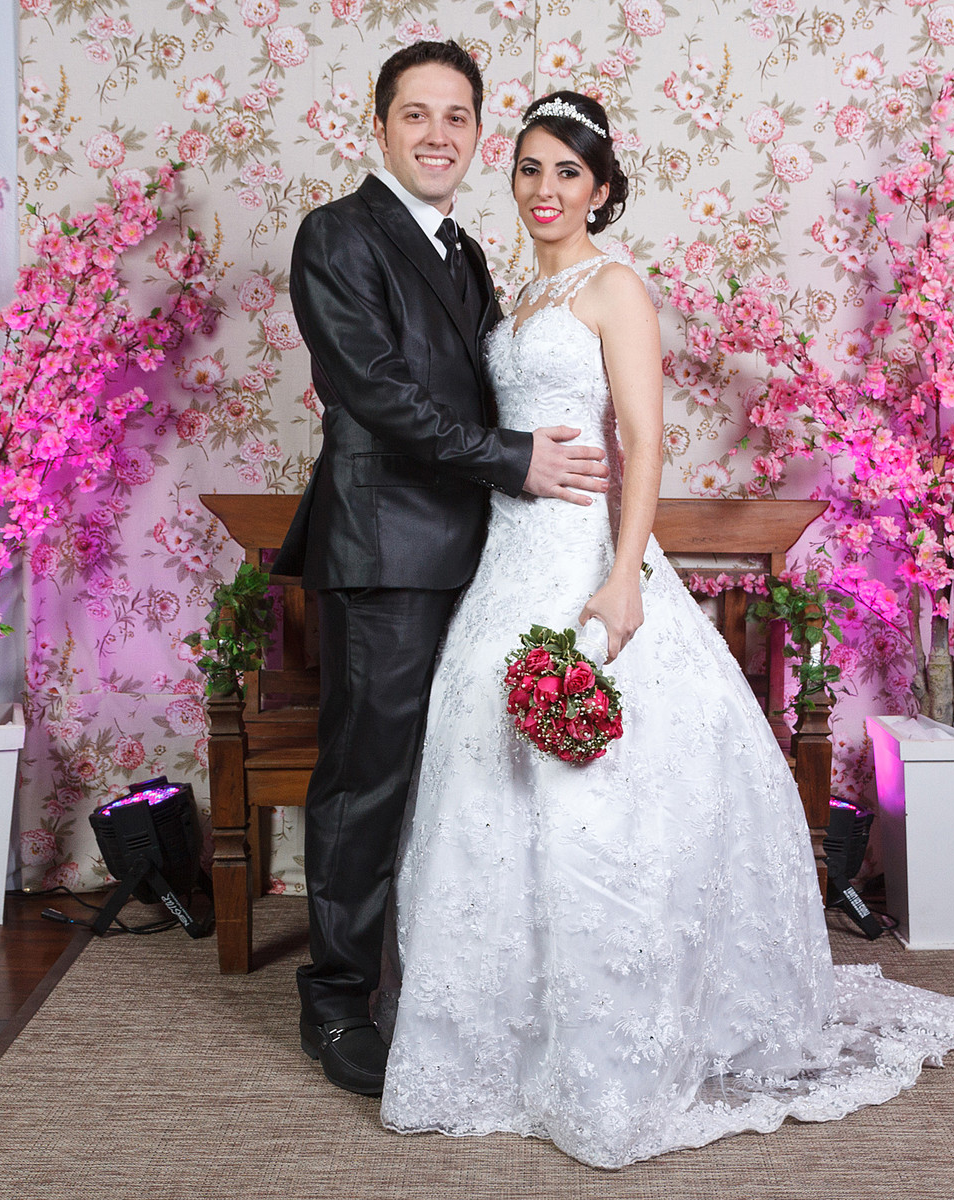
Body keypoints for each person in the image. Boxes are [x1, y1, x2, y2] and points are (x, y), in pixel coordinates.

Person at [378, 91, 954, 1169]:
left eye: (568, 172)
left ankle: (617, 1040)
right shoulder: (513, 297)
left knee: (591, 797)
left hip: (581, 563)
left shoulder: (614, 289)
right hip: (504, 561)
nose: (546, 190)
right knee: (483, 782)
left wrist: (621, 582)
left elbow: (641, 444)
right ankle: (501, 1045)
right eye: (529, 170)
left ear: (602, 189)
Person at [276, 45, 609, 1099]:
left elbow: (486, 388)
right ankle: (333, 1004)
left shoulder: (462, 250)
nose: (436, 134)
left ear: (476, 133)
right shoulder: (338, 233)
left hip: (480, 557)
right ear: (379, 127)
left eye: (457, 117)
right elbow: (372, 392)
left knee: (453, 785)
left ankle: (430, 977)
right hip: (384, 553)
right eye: (415, 114)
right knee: (366, 779)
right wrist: (520, 462)